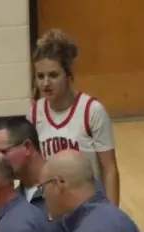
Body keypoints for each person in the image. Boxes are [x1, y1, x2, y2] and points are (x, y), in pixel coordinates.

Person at [31, 30, 120, 205]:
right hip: (54, 207)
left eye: (53, 75)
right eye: (40, 76)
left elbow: (110, 169)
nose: (46, 83)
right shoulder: (34, 113)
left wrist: (112, 214)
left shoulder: (92, 111)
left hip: (90, 205)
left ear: (68, 74)